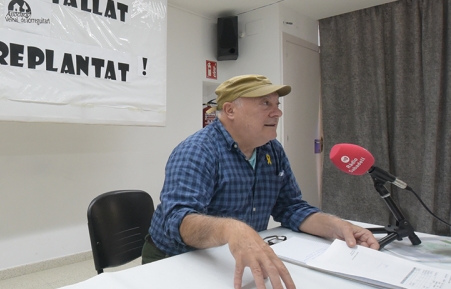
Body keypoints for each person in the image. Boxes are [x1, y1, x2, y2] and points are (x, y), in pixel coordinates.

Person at [144, 74, 379, 289]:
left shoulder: (272, 150)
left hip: (232, 257)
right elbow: (177, 221)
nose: (277, 113)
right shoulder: (197, 151)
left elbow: (290, 207)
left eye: (277, 105)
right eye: (265, 103)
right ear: (230, 110)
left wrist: (336, 226)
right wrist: (232, 229)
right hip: (175, 259)